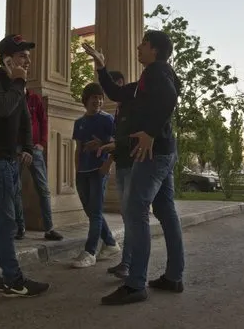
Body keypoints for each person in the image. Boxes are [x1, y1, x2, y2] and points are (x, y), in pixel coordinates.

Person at [83, 31, 185, 306]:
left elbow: (170, 96)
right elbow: (116, 92)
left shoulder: (156, 72)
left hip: (152, 153)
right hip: (163, 152)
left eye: (143, 44)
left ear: (154, 49)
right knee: (165, 211)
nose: (138, 47)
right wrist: (101, 67)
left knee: (135, 211)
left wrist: (150, 131)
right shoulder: (146, 80)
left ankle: (135, 283)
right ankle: (174, 276)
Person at [0, 34, 49, 297]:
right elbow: (4, 108)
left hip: (8, 161)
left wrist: (27, 147)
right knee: (7, 223)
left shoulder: (19, 86)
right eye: (21, 56)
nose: (27, 60)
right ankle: (14, 279)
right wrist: (17, 82)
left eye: (28, 56)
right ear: (7, 59)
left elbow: (25, 119)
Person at [70, 83, 121, 268]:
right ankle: (111, 243)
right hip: (82, 172)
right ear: (86, 100)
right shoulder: (79, 123)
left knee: (96, 211)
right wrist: (76, 171)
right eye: (94, 97)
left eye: (100, 98)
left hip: (98, 171)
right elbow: (77, 149)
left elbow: (116, 143)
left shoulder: (107, 120)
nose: (98, 101)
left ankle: (89, 252)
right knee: (91, 212)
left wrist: (107, 165)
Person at [97, 71, 136, 279]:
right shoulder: (118, 111)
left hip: (131, 166)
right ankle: (127, 262)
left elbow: (128, 140)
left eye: (115, 86)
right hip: (123, 165)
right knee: (126, 215)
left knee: (131, 216)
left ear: (121, 84)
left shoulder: (131, 106)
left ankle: (130, 264)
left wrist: (108, 162)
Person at [13, 86, 64, 242]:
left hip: (35, 148)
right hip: (16, 150)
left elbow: (43, 120)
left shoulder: (35, 99)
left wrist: (42, 142)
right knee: (15, 189)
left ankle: (49, 229)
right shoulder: (11, 97)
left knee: (43, 189)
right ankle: (20, 228)